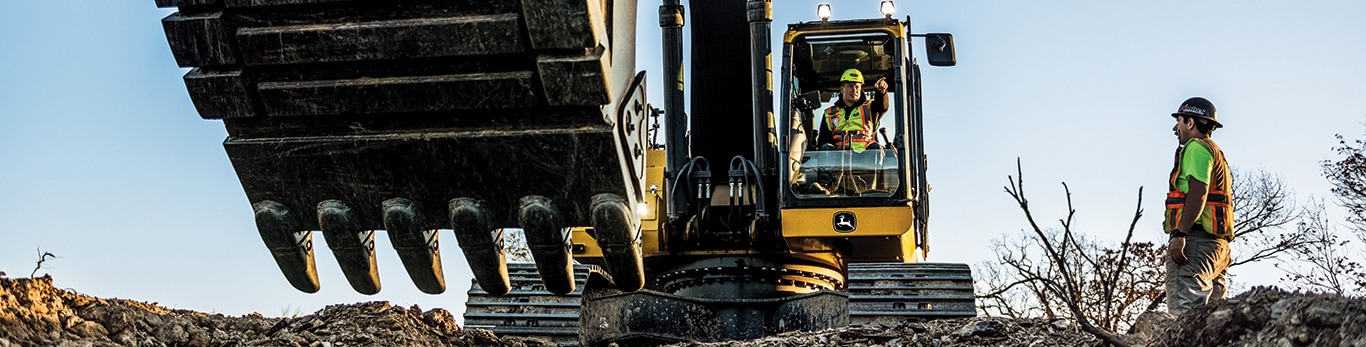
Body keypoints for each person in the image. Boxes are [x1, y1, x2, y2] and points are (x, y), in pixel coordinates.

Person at [1163, 96, 1235, 316]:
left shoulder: (1195, 148)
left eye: (1180, 121)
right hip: (1217, 249)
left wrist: (1180, 234)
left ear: (1191, 123)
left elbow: (1198, 191)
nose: (1176, 128)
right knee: (1212, 324)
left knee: (1185, 318)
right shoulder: (1216, 152)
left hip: (1195, 245)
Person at [817, 68, 889, 152]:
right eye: (850, 86)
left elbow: (882, 106)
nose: (854, 90)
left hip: (866, 157)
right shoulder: (829, 113)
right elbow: (823, 141)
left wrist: (881, 92)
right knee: (826, 147)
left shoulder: (870, 107)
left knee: (876, 147)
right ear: (842, 89)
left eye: (857, 87)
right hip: (838, 158)